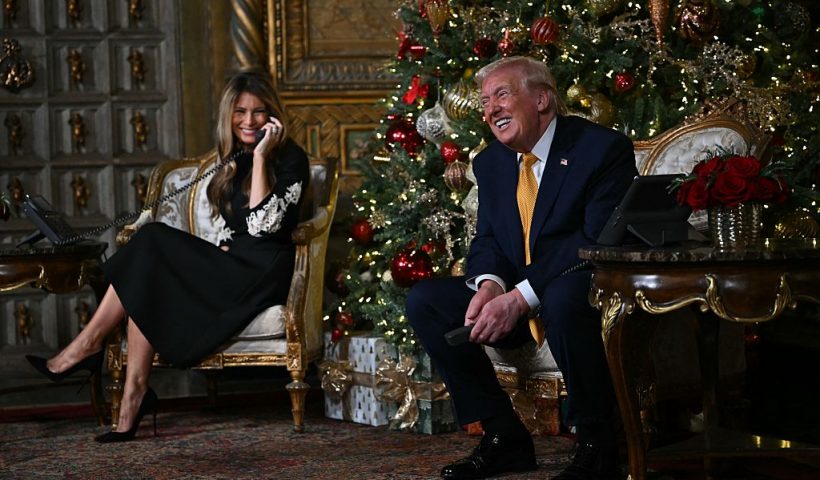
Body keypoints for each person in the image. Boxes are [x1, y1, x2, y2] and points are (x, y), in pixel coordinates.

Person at [25, 69, 310, 443]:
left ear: (272, 115)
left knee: (152, 241)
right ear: (229, 114)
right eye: (240, 111)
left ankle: (87, 348)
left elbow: (260, 225)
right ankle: (133, 395)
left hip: (262, 273)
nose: (249, 120)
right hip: (234, 262)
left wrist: (260, 158)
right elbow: (239, 227)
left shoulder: (289, 159)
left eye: (259, 111)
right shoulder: (234, 158)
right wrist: (225, 240)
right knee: (149, 268)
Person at [406, 56, 637, 480]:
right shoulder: (491, 163)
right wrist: (491, 287)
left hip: (577, 282)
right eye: (484, 101)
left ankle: (597, 444)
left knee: (564, 299)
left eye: (502, 95)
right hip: (516, 294)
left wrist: (520, 296)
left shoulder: (601, 149)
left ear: (543, 99)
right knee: (427, 301)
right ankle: (503, 436)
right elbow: (489, 240)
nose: (489, 109)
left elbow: (593, 240)